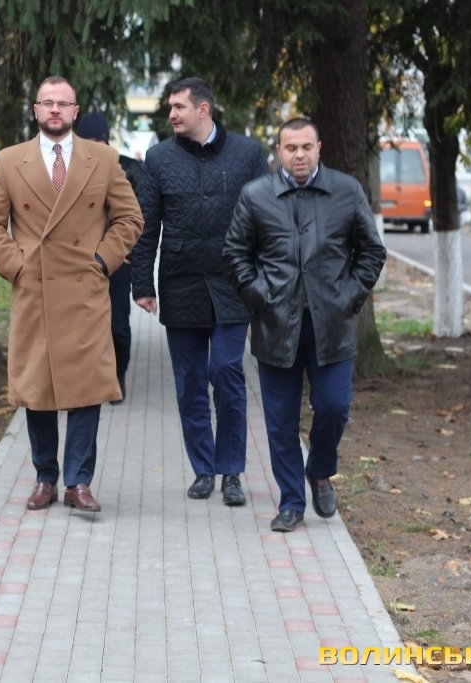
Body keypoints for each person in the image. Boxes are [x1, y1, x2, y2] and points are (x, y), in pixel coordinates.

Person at [0, 76, 144, 514]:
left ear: (75, 111)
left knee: (87, 388)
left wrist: (103, 261)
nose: (54, 109)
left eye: (62, 103)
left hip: (86, 291)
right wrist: (17, 267)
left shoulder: (102, 159)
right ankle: (45, 478)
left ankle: (79, 482)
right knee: (38, 388)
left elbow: (130, 218)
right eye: (46, 102)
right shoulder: (10, 161)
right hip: (36, 291)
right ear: (35, 110)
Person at [223, 118, 386, 532]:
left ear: (319, 148)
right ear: (278, 151)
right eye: (291, 147)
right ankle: (292, 503)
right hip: (276, 327)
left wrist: (347, 298)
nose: (299, 155)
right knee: (280, 420)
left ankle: (320, 469)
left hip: (330, 325)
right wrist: (260, 298)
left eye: (306, 147)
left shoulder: (345, 191)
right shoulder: (256, 194)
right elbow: (235, 254)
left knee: (334, 406)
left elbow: (371, 252)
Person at [129, 76, 269, 505]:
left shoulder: (248, 154)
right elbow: (146, 225)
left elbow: (267, 220)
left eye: (178, 107)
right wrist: (142, 284)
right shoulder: (159, 158)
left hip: (233, 284)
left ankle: (232, 472)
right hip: (181, 282)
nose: (171, 114)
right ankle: (203, 470)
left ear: (203, 109)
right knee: (190, 382)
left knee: (226, 372)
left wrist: (264, 280)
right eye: (170, 107)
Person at [75, 111, 144, 404]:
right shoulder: (69, 170)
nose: (94, 146)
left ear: (107, 140)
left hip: (117, 261)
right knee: (82, 325)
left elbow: (141, 216)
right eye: (87, 140)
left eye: (98, 140)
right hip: (79, 261)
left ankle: (117, 374)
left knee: (118, 327)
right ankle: (87, 379)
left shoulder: (128, 169)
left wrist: (130, 255)